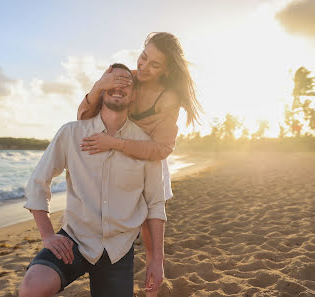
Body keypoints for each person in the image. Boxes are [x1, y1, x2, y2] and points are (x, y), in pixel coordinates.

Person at [18, 63, 166, 297]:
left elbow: (155, 205)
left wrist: (156, 260)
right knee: (32, 287)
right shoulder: (71, 133)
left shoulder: (146, 145)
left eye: (126, 82)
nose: (118, 86)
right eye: (112, 80)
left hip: (119, 248)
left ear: (134, 94)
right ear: (101, 88)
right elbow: (38, 182)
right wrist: (47, 235)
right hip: (75, 239)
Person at [77, 33, 202, 296]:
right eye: (144, 57)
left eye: (155, 65)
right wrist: (100, 86)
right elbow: (82, 117)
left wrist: (116, 143)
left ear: (167, 70)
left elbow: (162, 149)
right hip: (113, 163)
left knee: (150, 233)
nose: (144, 67)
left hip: (148, 161)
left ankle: (153, 282)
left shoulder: (168, 98)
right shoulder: (122, 78)